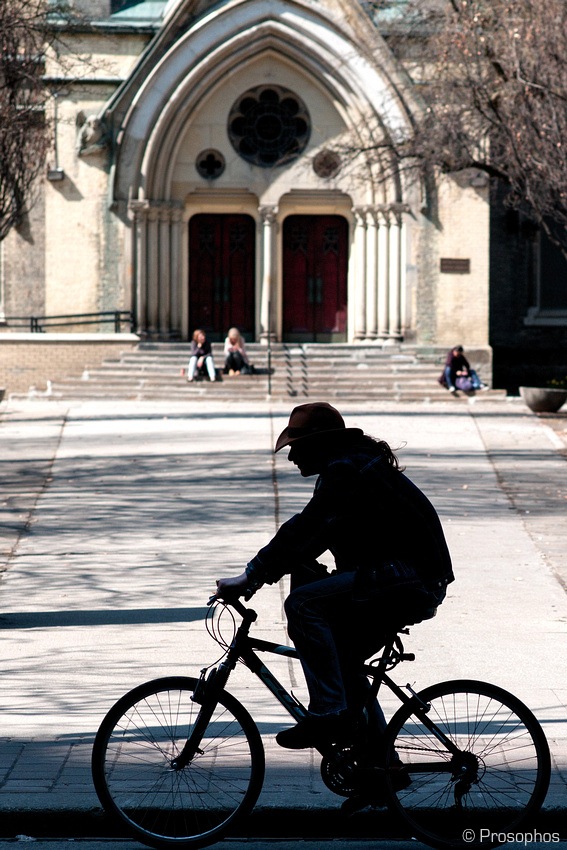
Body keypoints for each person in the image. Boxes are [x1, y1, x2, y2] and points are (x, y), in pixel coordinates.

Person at [216, 402, 454, 753]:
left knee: (301, 605)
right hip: (404, 577)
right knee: (341, 661)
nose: (291, 456)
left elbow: (307, 528)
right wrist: (265, 574)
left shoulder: (346, 471)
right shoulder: (349, 466)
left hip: (407, 578)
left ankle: (328, 712)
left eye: (297, 446)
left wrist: (250, 575)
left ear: (319, 443)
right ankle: (381, 764)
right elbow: (313, 539)